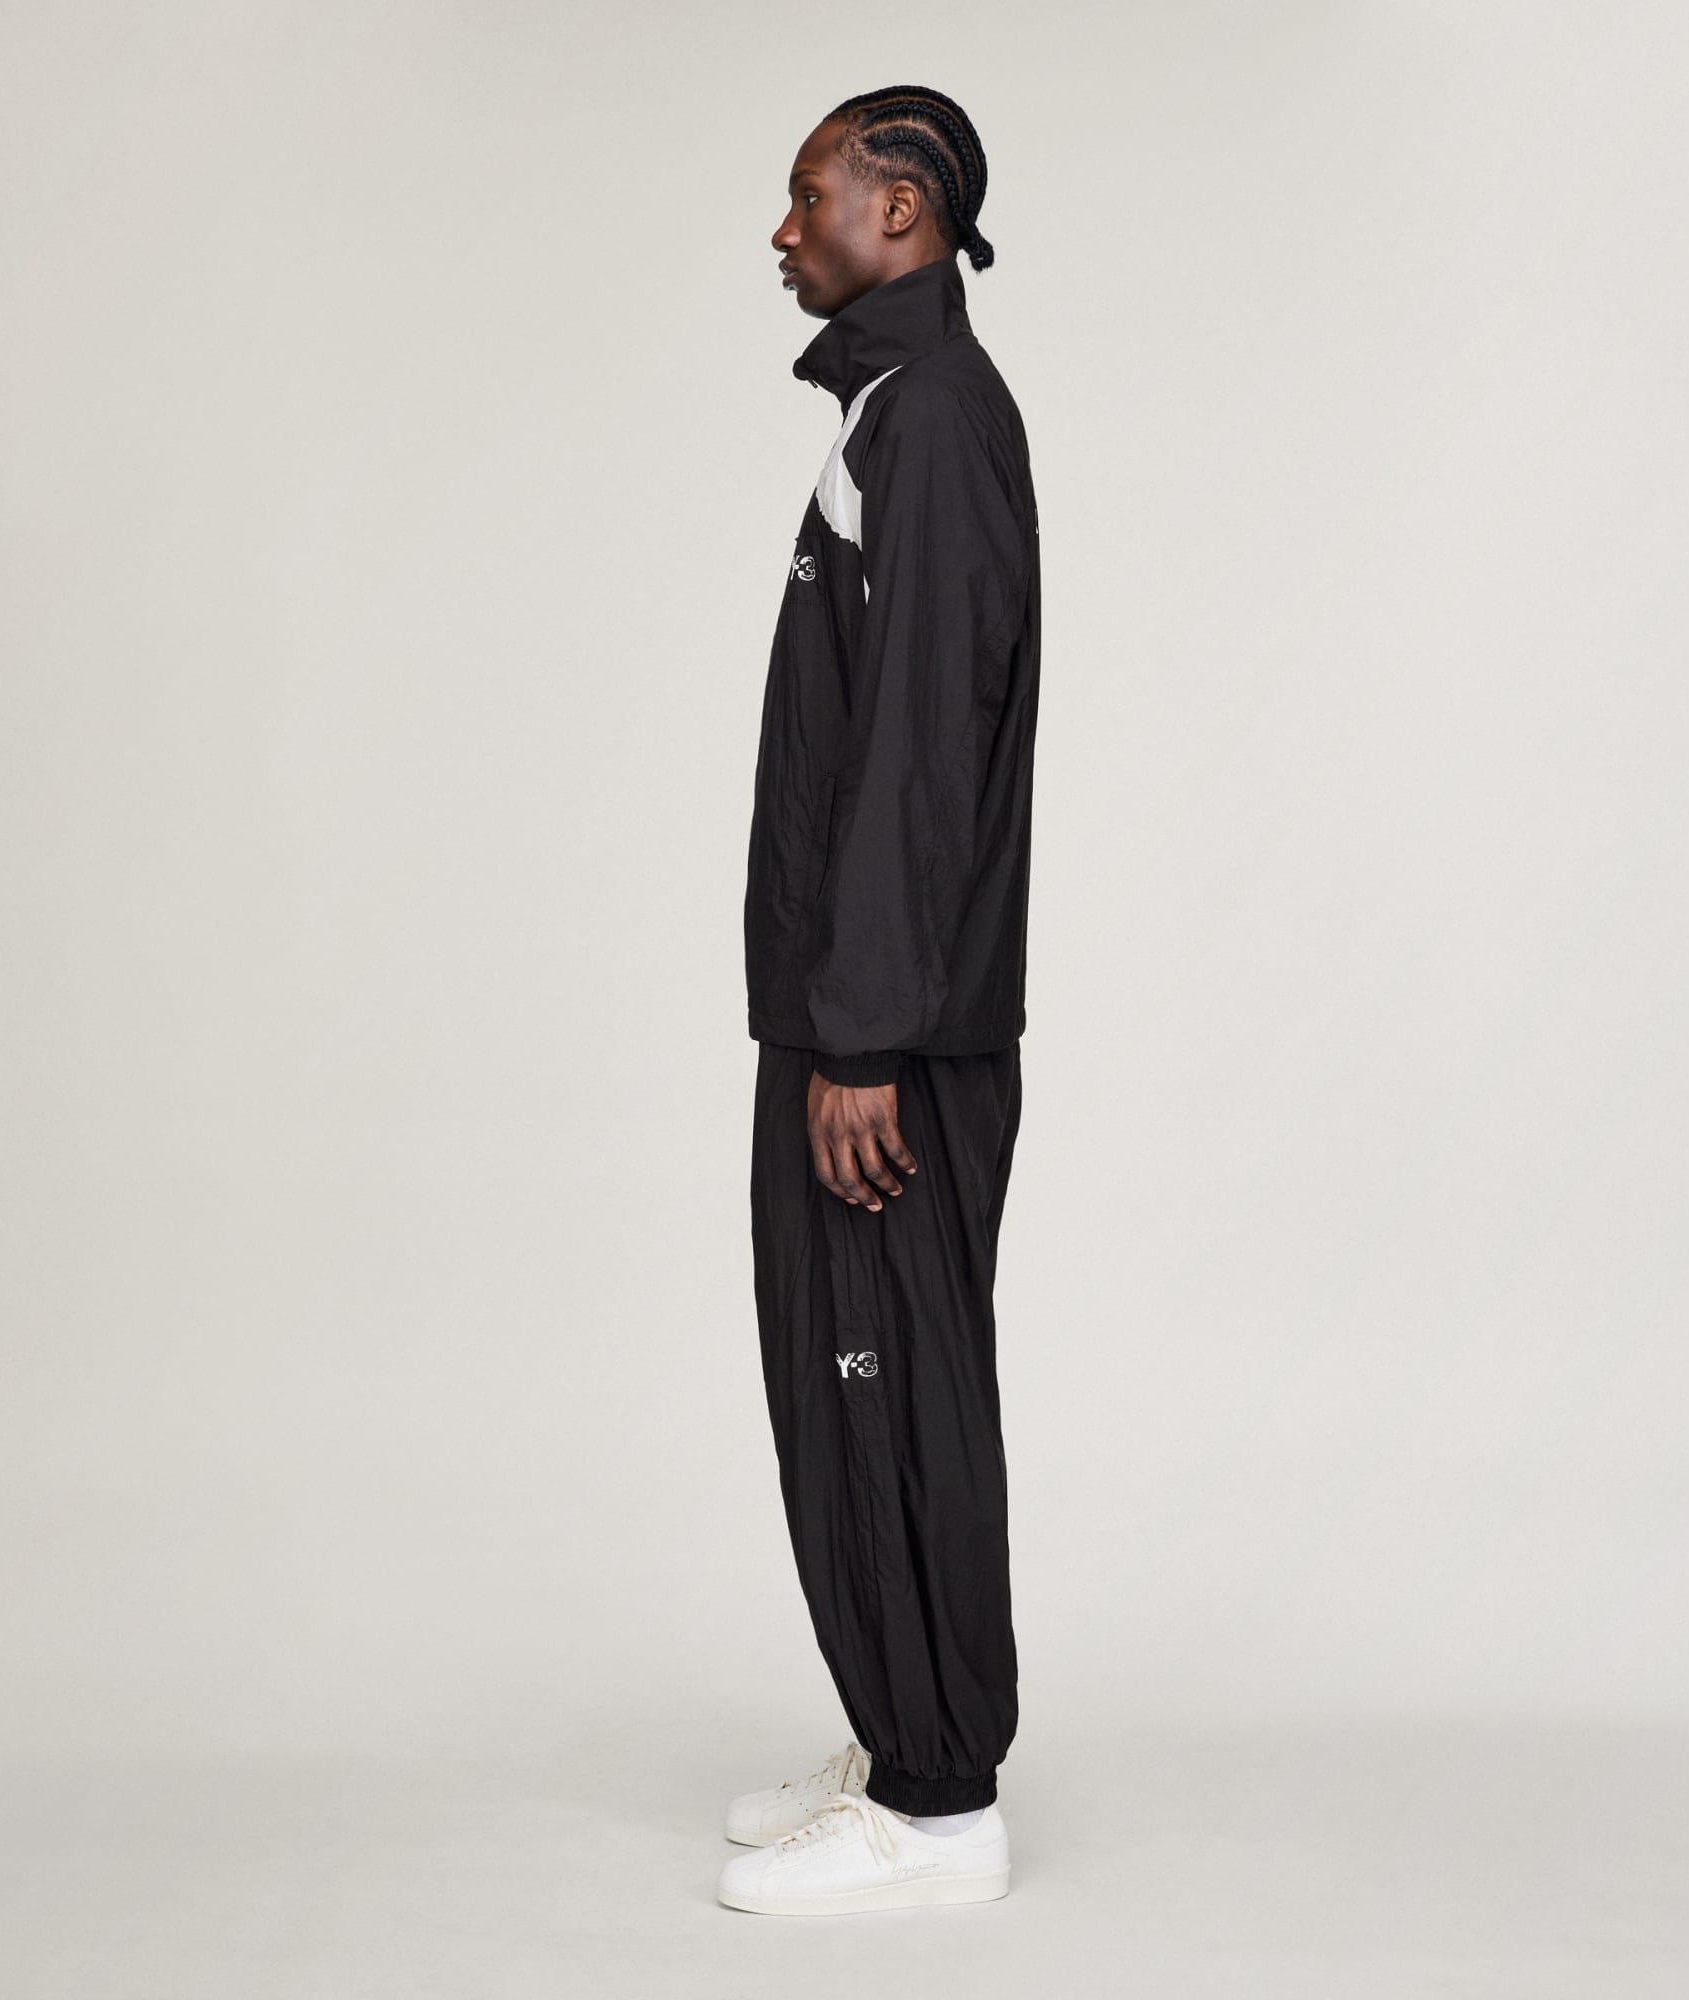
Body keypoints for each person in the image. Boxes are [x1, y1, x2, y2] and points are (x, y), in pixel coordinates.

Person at [718, 85, 1042, 1917]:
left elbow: (920, 755)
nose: (782, 232)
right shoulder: (893, 412)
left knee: (891, 1394)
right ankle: (897, 1730)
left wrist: (858, 1040)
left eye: (807, 196)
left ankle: (938, 1805)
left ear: (898, 209)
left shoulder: (931, 424)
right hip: (855, 1016)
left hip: (888, 1042)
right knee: (847, 1394)